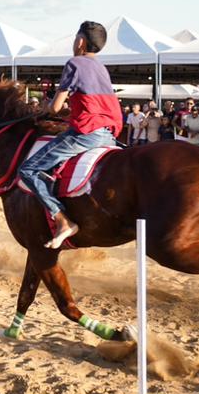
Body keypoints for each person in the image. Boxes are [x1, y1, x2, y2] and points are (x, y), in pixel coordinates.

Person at [17, 21, 123, 249]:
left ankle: (62, 220)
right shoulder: (101, 67)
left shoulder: (74, 63)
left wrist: (45, 109)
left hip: (87, 132)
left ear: (81, 41)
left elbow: (55, 108)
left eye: (75, 38)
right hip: (108, 133)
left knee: (28, 169)